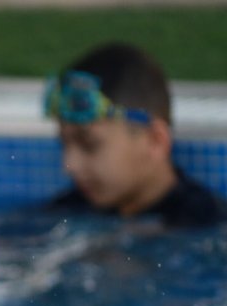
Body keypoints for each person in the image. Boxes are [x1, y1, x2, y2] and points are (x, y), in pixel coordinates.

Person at [44, 42, 225, 228]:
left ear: (155, 141)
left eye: (90, 145)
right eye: (64, 144)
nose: (70, 165)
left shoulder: (207, 223)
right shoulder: (65, 211)